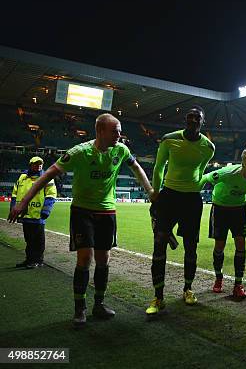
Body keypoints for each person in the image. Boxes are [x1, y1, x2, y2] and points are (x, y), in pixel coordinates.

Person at [8, 113, 154, 326]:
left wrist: (149, 191)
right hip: (82, 211)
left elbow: (137, 168)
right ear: (100, 131)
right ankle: (80, 309)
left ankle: (99, 304)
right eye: (115, 131)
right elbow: (48, 174)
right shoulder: (80, 152)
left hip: (107, 212)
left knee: (104, 260)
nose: (119, 135)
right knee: (85, 259)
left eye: (120, 131)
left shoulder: (121, 150)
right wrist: (23, 203)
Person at [146, 106, 215, 316]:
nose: (193, 120)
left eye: (197, 117)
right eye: (190, 117)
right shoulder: (169, 139)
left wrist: (195, 187)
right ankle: (158, 296)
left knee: (191, 247)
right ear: (185, 120)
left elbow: (201, 170)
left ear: (202, 122)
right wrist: (155, 193)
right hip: (169, 196)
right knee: (159, 245)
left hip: (192, 200)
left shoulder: (208, 147)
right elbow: (158, 168)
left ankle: (188, 289)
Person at [201, 148, 246, 300]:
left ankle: (238, 284)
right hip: (220, 208)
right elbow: (205, 178)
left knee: (240, 245)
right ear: (242, 163)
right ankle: (218, 278)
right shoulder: (228, 173)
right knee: (219, 246)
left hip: (238, 210)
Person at [10, 156, 57, 268]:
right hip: (25, 214)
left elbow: (51, 195)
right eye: (36, 163)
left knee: (38, 240)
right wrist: (13, 208)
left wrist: (45, 211)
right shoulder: (22, 177)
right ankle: (29, 259)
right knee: (28, 239)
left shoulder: (47, 178)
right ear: (30, 165)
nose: (38, 165)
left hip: (38, 215)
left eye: (40, 164)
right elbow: (14, 194)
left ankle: (38, 260)